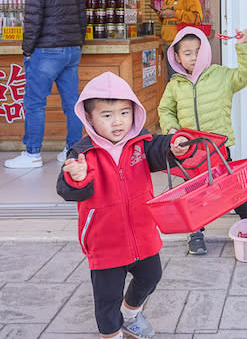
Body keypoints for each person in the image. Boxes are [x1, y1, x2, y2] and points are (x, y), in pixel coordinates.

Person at [57, 71, 192, 339]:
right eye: (107, 115)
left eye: (124, 112)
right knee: (107, 298)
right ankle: (111, 334)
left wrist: (175, 147)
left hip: (143, 233)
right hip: (105, 240)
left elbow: (161, 149)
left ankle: (130, 315)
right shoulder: (82, 154)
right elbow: (68, 189)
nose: (117, 122)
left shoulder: (140, 144)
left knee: (151, 276)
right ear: (90, 118)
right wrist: (78, 177)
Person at [157, 25, 247, 255]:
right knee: (194, 193)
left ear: (206, 52)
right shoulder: (175, 85)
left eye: (197, 51)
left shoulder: (221, 75)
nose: (193, 57)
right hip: (189, 151)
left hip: (217, 147)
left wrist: (242, 46)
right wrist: (172, 130)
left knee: (228, 187)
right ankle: (196, 232)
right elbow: (165, 110)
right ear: (177, 57)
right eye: (187, 52)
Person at [5, 0, 86, 169]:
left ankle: (32, 154)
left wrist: (27, 50)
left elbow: (32, 19)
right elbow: (83, 18)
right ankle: (72, 150)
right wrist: (76, 44)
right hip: (72, 50)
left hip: (47, 51)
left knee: (35, 103)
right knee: (72, 103)